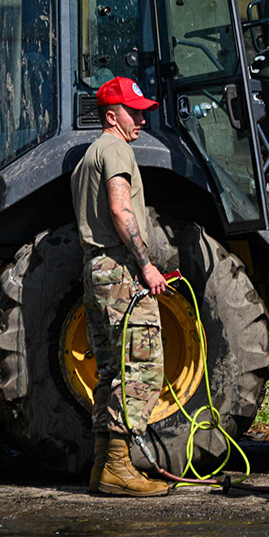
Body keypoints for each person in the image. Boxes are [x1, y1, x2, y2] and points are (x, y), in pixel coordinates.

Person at [70, 75, 169, 497]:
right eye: (135, 112)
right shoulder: (115, 149)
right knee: (143, 367)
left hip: (96, 271)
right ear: (112, 116)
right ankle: (118, 466)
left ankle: (103, 466)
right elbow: (120, 206)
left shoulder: (88, 155)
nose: (142, 119)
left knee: (111, 370)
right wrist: (146, 264)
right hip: (119, 271)